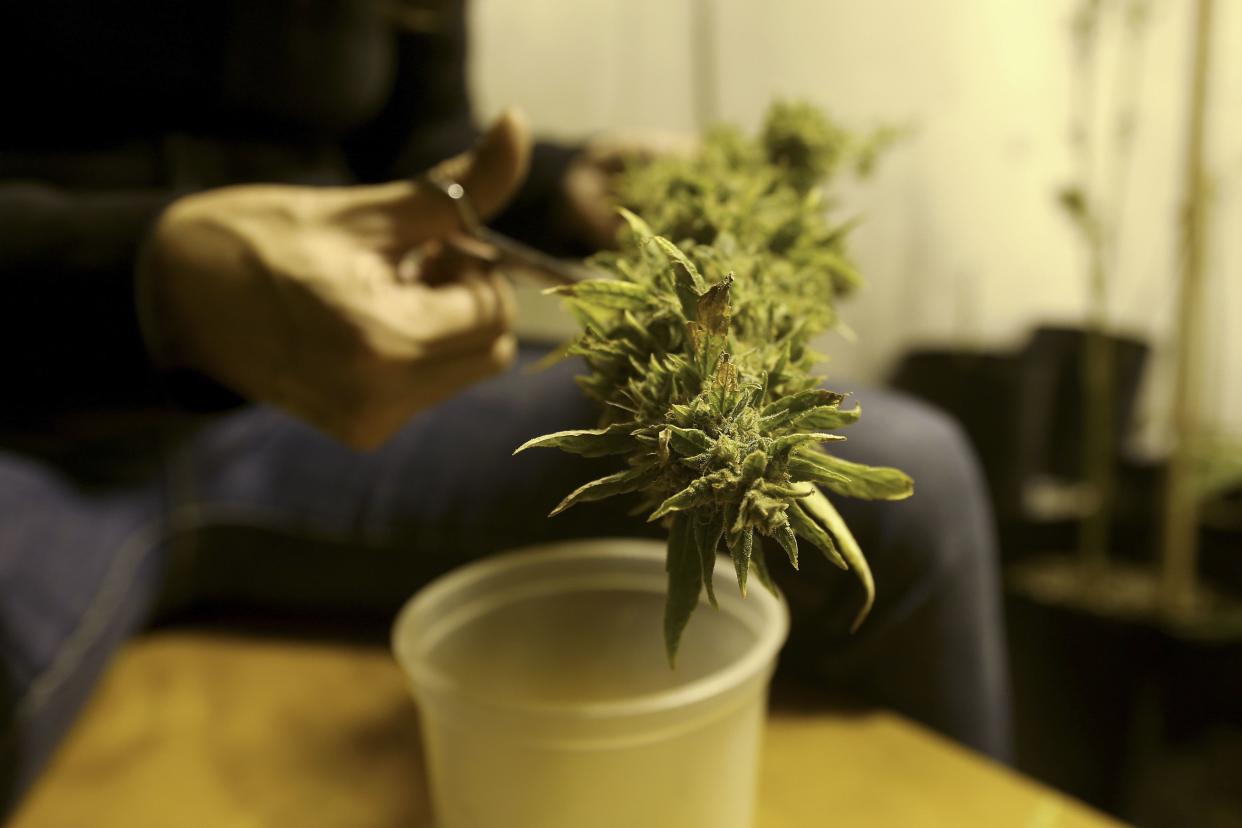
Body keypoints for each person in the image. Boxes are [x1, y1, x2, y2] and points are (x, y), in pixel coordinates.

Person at [0, 0, 1012, 811]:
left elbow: (421, 149)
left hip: (314, 407)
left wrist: (567, 186)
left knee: (915, 484)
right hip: (30, 417)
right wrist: (147, 283)